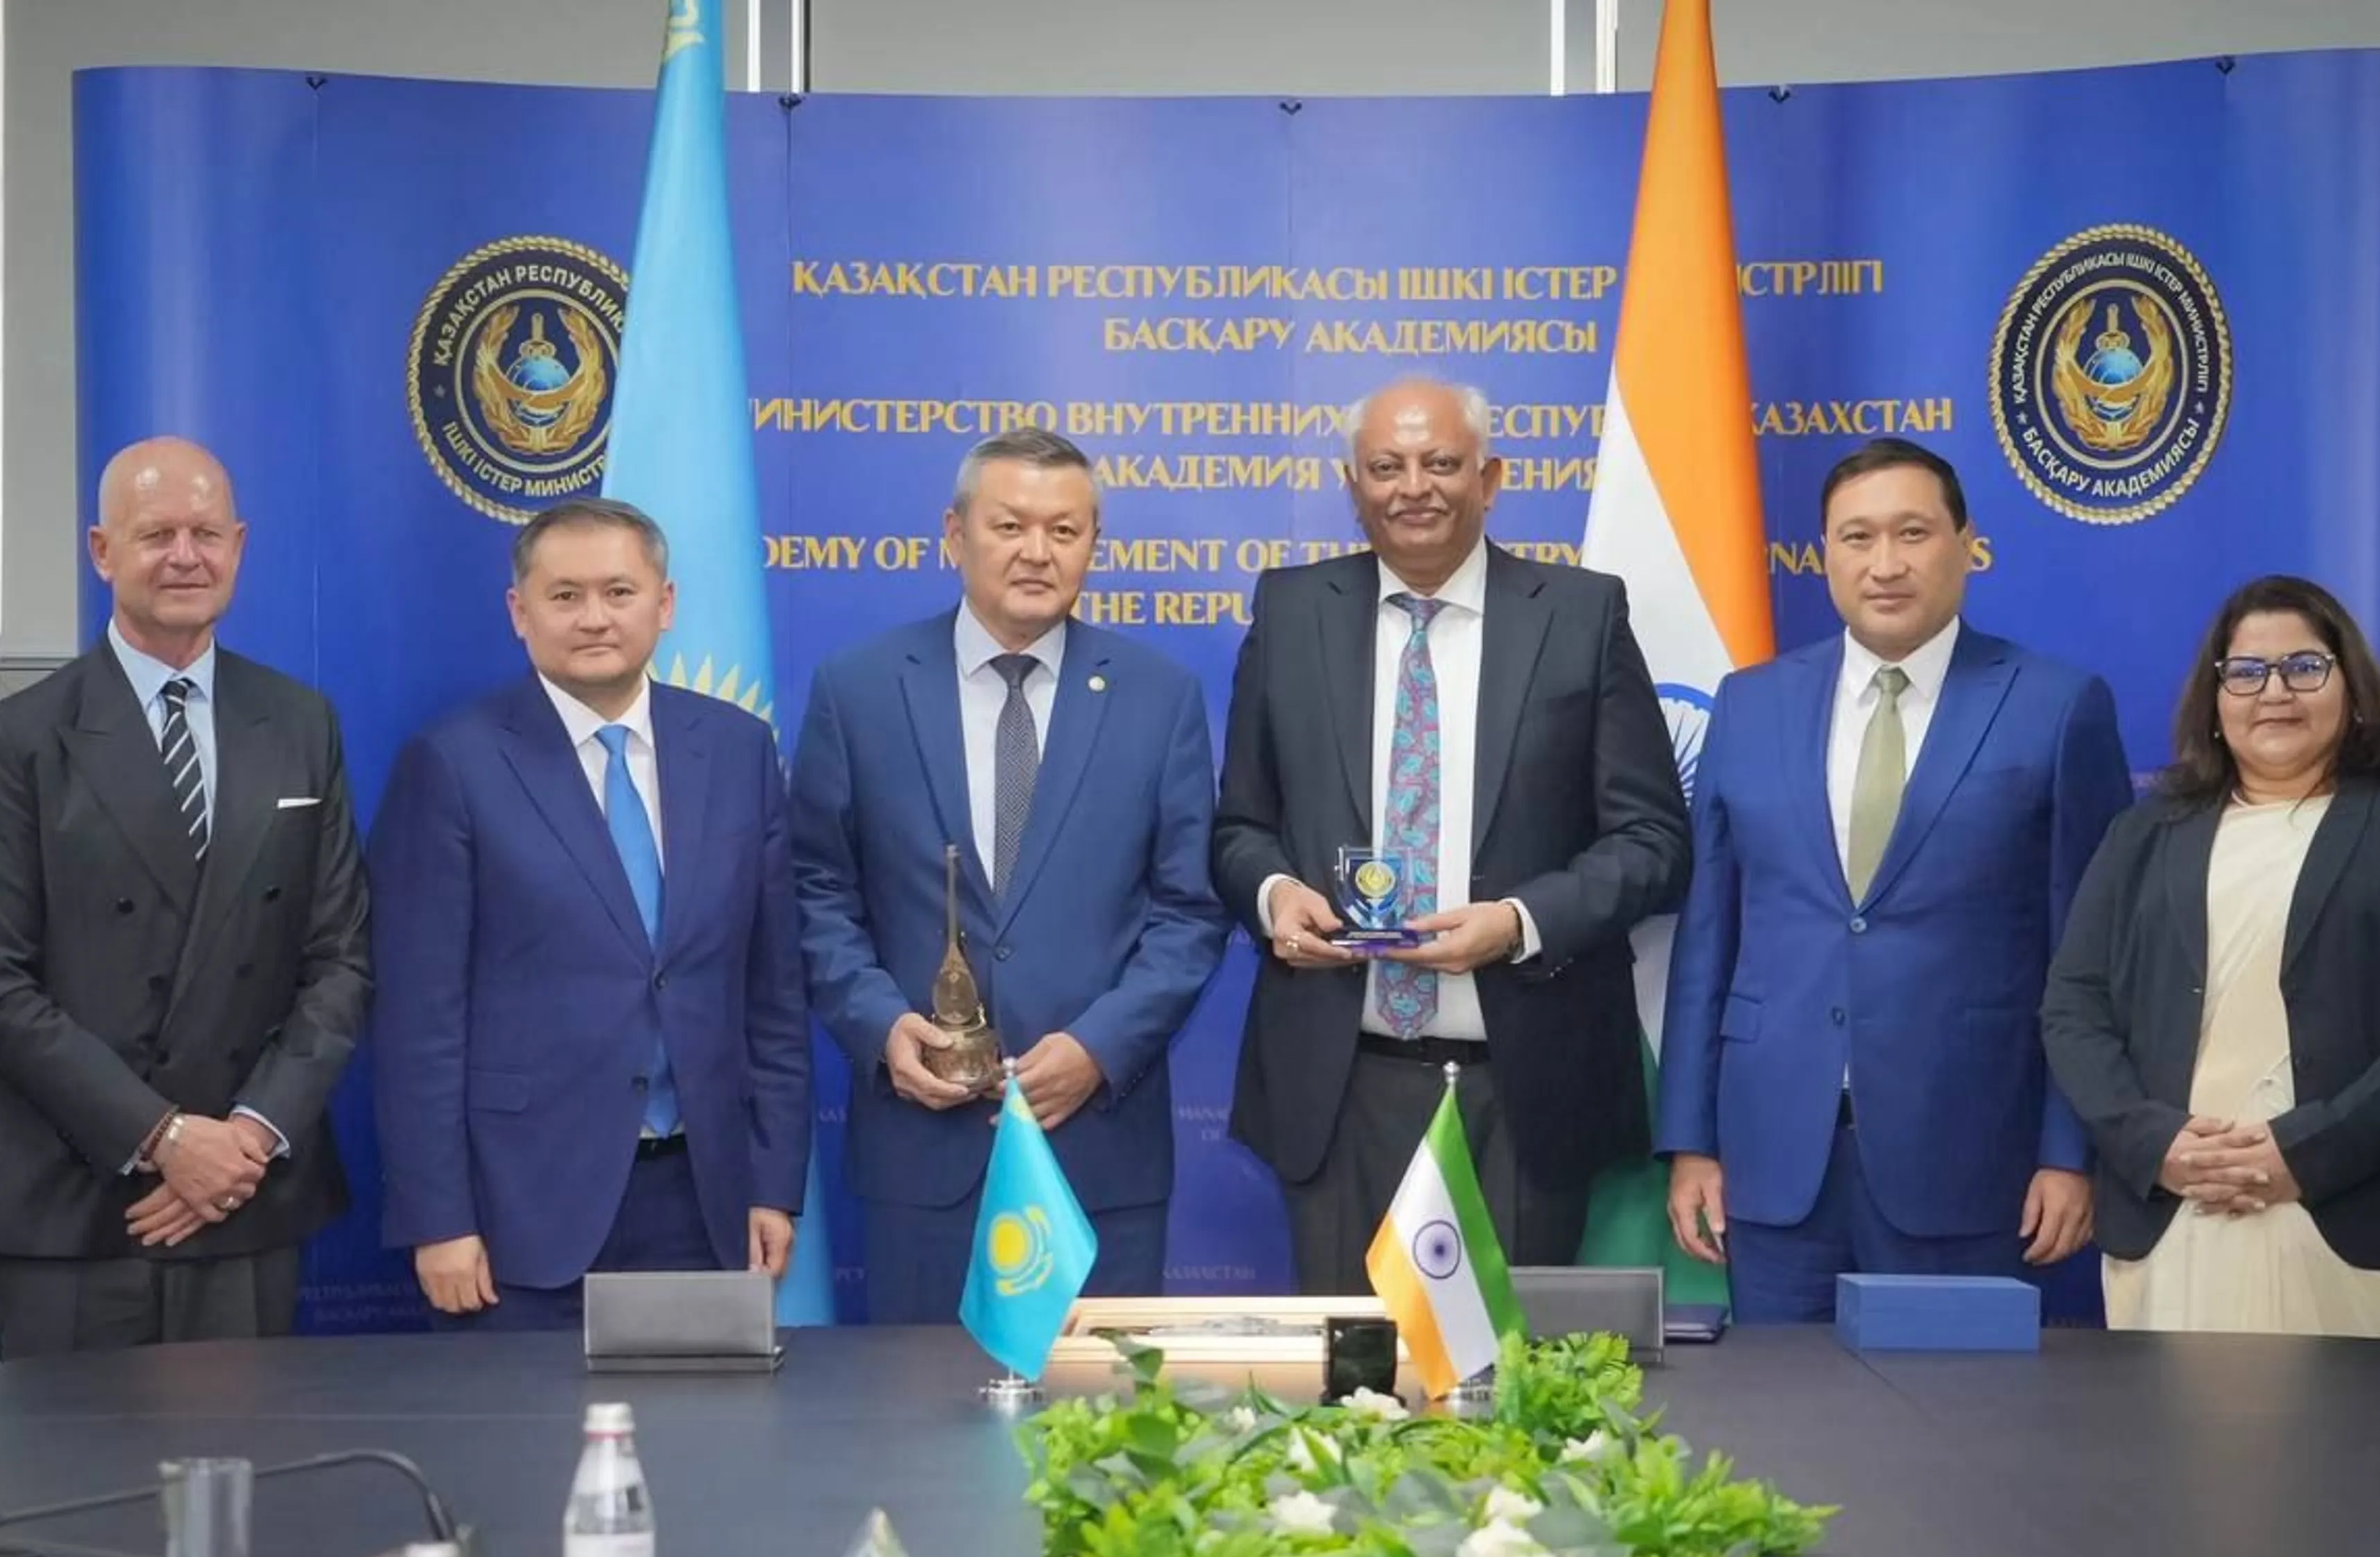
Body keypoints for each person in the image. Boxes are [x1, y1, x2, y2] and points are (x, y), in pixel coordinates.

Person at [1214, 376, 1688, 1293]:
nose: (1414, 488)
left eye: (1440, 463)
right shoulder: (1290, 611)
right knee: (1352, 1369)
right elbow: (1240, 825)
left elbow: (1655, 841)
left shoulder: (1581, 615)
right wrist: (1275, 896)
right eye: (1386, 467)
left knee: (1514, 1371)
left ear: (1490, 477)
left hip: (1527, 1088)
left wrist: (1518, 922)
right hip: (1339, 1088)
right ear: (1353, 485)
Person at [1659, 436, 2131, 1323]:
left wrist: (2070, 1151)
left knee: (1954, 1407)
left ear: (1967, 545)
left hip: (1972, 1159)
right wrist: (1691, 1141)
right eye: (1857, 537)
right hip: (1772, 1161)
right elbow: (1707, 938)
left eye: (1913, 533)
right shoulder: (1751, 703)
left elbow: (2092, 954)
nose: (1885, 564)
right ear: (1824, 555)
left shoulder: (2056, 705)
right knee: (1780, 1408)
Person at [0, 436, 372, 1358]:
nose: (186, 556)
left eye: (206, 533)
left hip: (246, 1200)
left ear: (239, 546)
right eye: (157, 535)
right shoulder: (21, 737)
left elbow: (341, 958)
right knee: (74, 1457)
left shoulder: (301, 723)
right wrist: (166, 1138)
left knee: (237, 1455)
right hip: (75, 1206)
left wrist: (244, 1139)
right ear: (102, 552)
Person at [791, 428, 1227, 1321]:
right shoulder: (859, 688)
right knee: (916, 1406)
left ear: (1093, 545)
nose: (1037, 551)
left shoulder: (1159, 696)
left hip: (1097, 1149)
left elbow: (1190, 911)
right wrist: (882, 1026)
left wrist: (1100, 1048)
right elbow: (817, 891)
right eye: (1010, 525)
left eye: (1065, 531)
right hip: (922, 1153)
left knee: (1103, 1406)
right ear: (954, 534)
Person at [369, 497, 807, 1329]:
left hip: (706, 1201)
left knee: (707, 1421)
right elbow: (419, 1019)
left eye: (619, 592)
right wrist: (439, 1217)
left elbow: (773, 995)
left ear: (665, 605)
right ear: (519, 611)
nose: (595, 618)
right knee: (521, 1423)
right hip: (519, 1210)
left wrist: (775, 1184)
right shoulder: (454, 763)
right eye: (565, 596)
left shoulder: (739, 751)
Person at [2042, 575, 2380, 1334]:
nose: (2274, 692)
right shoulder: (2142, 836)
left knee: (2371, 1422)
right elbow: (2074, 1008)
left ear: (2352, 689)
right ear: (2215, 700)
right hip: (2181, 1208)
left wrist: (2305, 1152)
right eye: (2246, 672)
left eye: (2304, 667)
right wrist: (2154, 1142)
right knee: (2177, 1420)